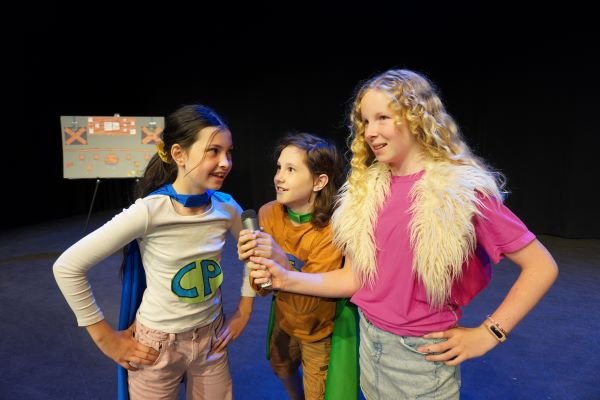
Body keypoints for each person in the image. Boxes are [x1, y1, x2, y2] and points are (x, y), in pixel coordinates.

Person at [245, 69, 559, 399]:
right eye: (365, 121)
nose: (370, 131)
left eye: (382, 117)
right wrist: (284, 279)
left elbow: (541, 266)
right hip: (369, 344)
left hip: (422, 359)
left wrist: (489, 333)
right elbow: (353, 279)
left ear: (416, 117)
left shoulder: (460, 192)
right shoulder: (363, 193)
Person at [53, 104, 256, 400]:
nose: (225, 162)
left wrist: (245, 312)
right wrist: (105, 339)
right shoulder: (149, 211)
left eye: (229, 152)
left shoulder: (227, 207)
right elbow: (67, 267)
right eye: (213, 151)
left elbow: (256, 255)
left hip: (212, 339)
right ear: (179, 155)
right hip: (156, 347)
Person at [237, 133, 351, 400]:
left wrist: (279, 258)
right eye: (279, 167)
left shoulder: (334, 227)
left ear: (319, 181)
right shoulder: (268, 213)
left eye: (290, 169)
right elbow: (263, 287)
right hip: (285, 317)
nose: (279, 177)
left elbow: (318, 288)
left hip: (318, 329)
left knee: (319, 391)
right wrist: (256, 267)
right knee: (280, 365)